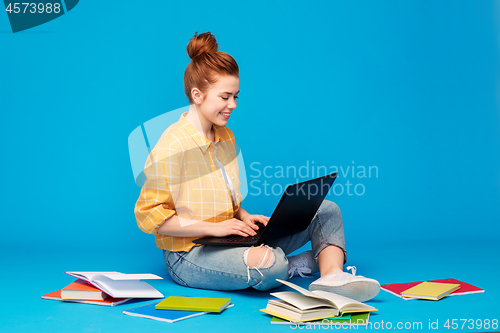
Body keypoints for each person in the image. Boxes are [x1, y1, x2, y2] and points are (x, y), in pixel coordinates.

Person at [134, 31, 380, 302]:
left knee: (327, 210)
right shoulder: (172, 145)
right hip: (189, 254)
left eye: (236, 96)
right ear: (198, 95)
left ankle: (331, 276)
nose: (233, 105)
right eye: (225, 97)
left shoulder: (225, 136)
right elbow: (150, 217)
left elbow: (217, 195)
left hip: (231, 237)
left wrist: (243, 215)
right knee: (271, 265)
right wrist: (214, 228)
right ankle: (295, 263)